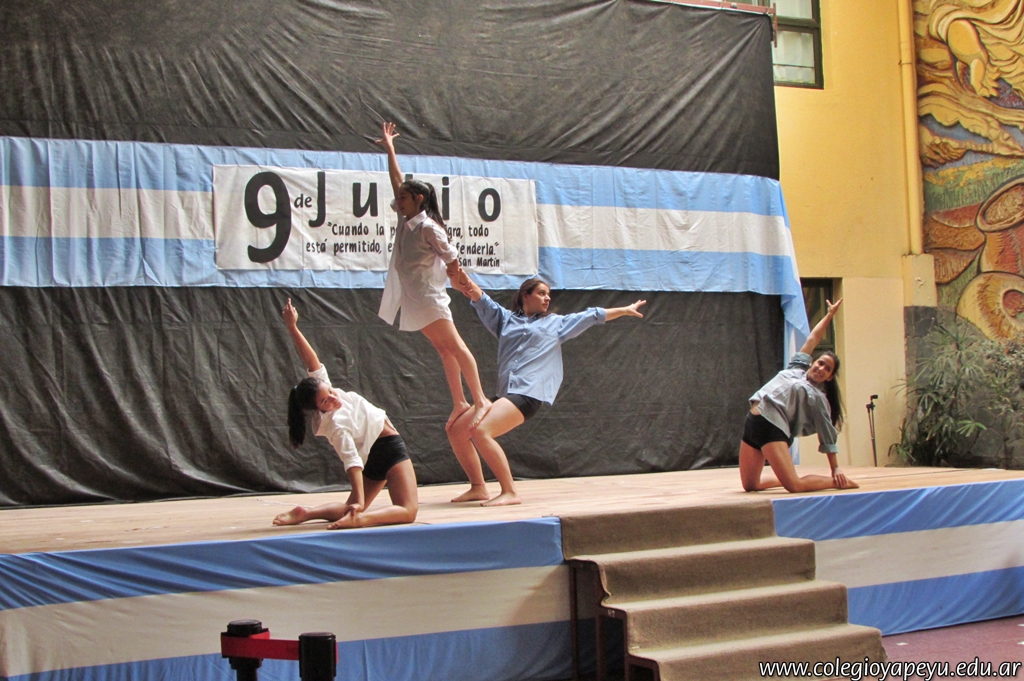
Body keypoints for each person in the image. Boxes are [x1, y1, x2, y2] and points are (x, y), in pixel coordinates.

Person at [447, 273, 646, 506]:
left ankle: (510, 492)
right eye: (541, 293)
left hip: (529, 393)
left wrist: (625, 310)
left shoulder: (556, 324)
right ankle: (478, 487)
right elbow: (482, 299)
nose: (547, 298)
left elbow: (592, 315)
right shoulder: (505, 320)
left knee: (481, 430)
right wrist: (463, 279)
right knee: (457, 430)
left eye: (548, 295)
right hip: (506, 394)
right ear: (525, 295)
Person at [375, 121, 492, 430]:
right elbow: (396, 180)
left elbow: (452, 257)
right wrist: (390, 149)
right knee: (443, 350)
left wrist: (459, 279)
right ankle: (460, 402)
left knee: (456, 346)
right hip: (414, 298)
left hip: (429, 297)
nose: (398, 201)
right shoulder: (406, 221)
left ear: (418, 199)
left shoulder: (429, 228)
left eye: (404, 198)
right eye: (399, 198)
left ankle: (481, 399)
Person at [274, 298, 418, 529]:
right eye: (326, 401)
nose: (334, 397)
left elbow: (312, 361)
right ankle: (359, 519)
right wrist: (359, 502)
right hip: (388, 446)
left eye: (330, 391)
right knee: (408, 511)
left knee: (349, 506)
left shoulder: (325, 391)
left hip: (373, 451)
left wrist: (292, 327)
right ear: (319, 410)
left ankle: (306, 513)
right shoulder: (336, 426)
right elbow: (352, 462)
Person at [739, 298, 858, 493]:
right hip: (753, 422)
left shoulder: (817, 398)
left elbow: (827, 433)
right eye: (820, 363)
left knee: (796, 486)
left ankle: (836, 482)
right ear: (812, 362)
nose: (822, 368)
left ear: (829, 377)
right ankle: (785, 476)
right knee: (751, 485)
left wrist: (835, 468)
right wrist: (829, 315)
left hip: (772, 426)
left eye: (828, 369)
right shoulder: (796, 368)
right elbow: (812, 340)